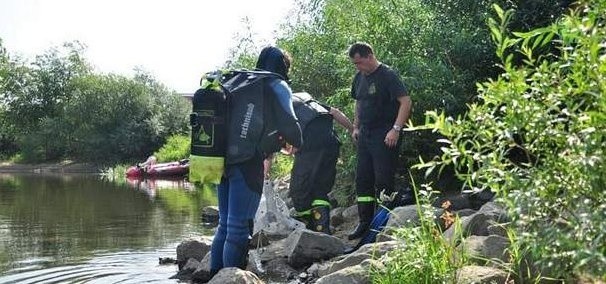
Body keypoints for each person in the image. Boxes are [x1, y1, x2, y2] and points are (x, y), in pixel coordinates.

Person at [209, 46, 302, 277]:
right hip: (247, 162)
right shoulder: (276, 84)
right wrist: (297, 140)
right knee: (238, 229)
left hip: (221, 161)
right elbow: (290, 122)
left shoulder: (241, 82)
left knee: (225, 225)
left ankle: (215, 277)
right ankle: (230, 279)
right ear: (283, 65)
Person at [347, 42, 412, 240]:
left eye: (359, 62)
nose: (357, 67)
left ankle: (384, 223)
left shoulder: (387, 75)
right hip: (365, 133)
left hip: (385, 133)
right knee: (363, 179)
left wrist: (396, 129)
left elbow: (406, 102)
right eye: (354, 64)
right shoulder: (359, 77)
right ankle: (365, 223)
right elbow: (359, 102)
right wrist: (355, 126)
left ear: (369, 56)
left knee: (383, 180)